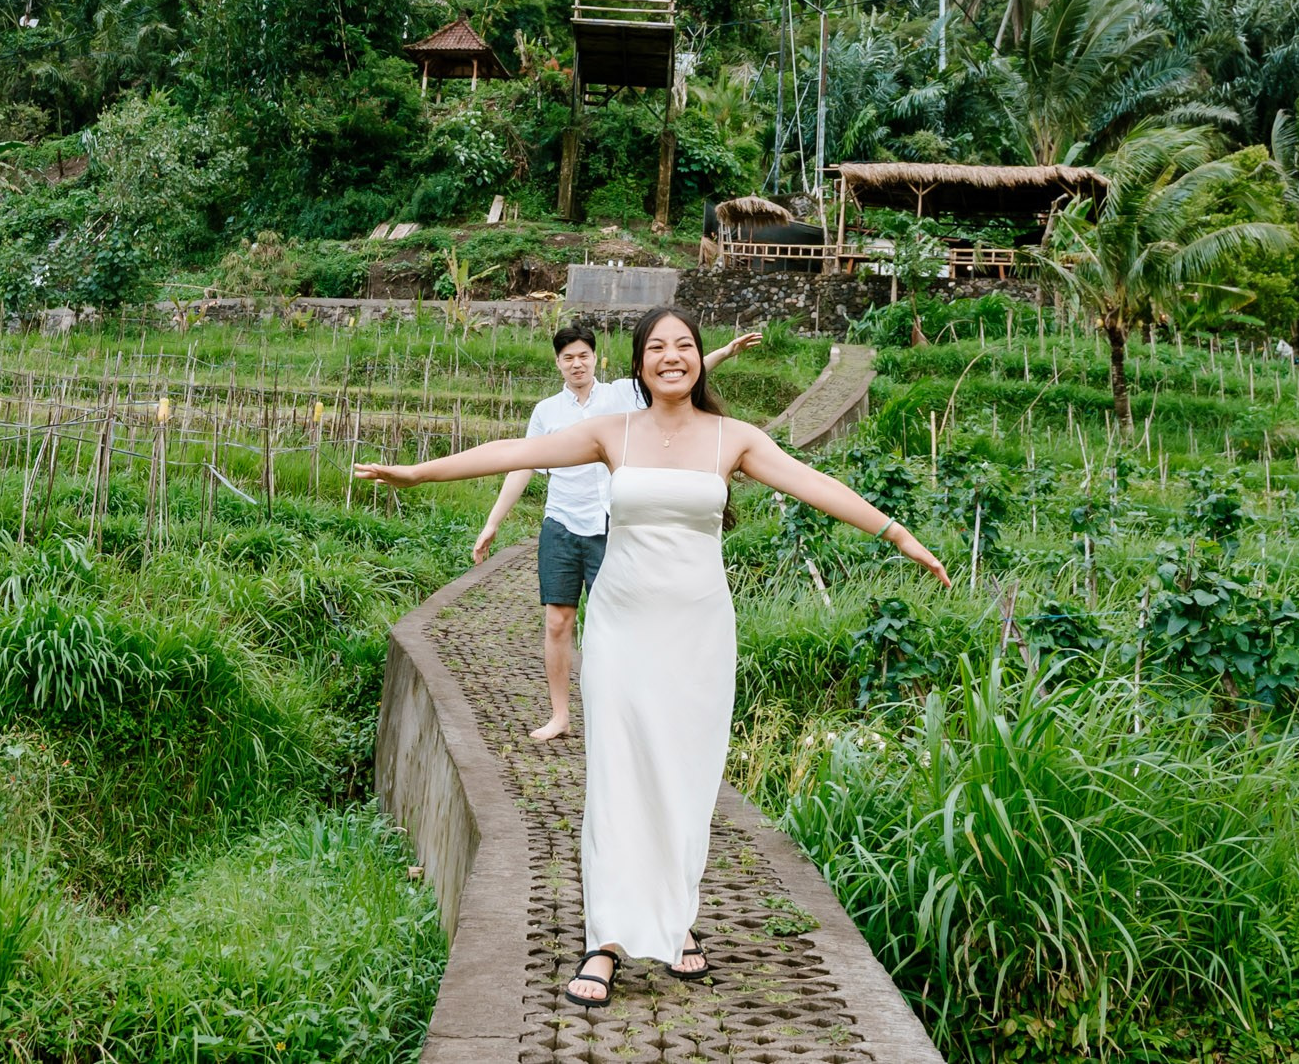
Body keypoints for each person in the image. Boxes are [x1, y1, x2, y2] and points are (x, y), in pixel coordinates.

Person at [356, 307, 949, 1006]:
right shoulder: (614, 430)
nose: (673, 356)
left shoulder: (735, 438)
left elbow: (813, 484)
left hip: (698, 633)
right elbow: (514, 453)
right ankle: (605, 939)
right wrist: (419, 473)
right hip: (622, 628)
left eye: (686, 345)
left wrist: (899, 533)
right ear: (638, 364)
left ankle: (675, 923)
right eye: (658, 347)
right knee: (618, 775)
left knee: (685, 780)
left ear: (701, 359)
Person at [472, 320, 761, 741]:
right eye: (568, 358)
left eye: (583, 356)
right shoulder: (546, 412)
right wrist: (493, 522)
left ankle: (623, 716)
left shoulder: (621, 395)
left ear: (596, 358)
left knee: (618, 623)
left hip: (611, 525)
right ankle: (559, 714)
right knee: (557, 622)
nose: (576, 364)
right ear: (558, 363)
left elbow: (675, 375)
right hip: (562, 524)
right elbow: (521, 463)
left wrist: (724, 352)